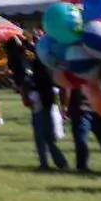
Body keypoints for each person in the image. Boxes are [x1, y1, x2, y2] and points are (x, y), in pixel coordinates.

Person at [22, 39, 67, 171]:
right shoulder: (47, 65)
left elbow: (32, 83)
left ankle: (52, 163)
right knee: (46, 136)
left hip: (42, 102)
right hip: (47, 102)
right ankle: (55, 162)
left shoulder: (40, 67)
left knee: (43, 136)